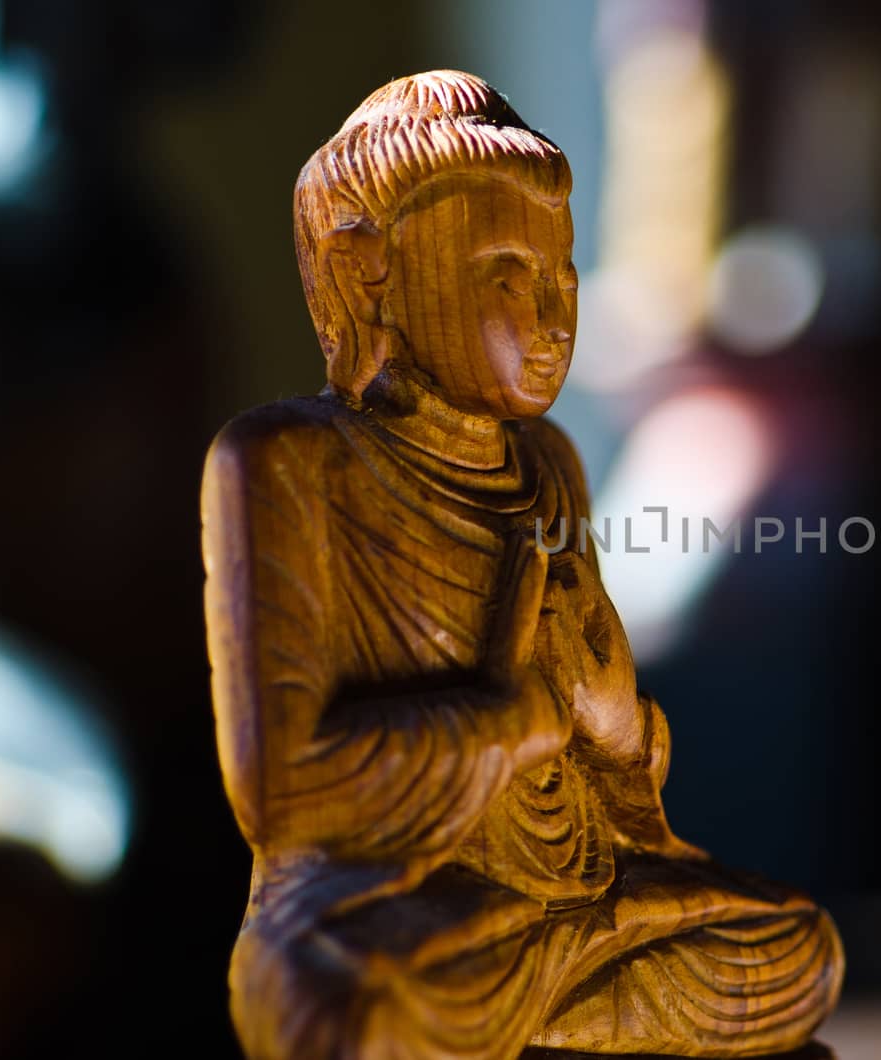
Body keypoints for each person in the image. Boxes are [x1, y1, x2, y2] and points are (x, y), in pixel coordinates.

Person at [202, 71, 842, 1060]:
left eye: (565, 273)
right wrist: (513, 721)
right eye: (507, 269)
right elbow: (289, 792)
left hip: (570, 898)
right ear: (369, 271)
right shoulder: (289, 464)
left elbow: (613, 772)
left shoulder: (548, 468)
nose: (551, 315)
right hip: (394, 910)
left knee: (797, 948)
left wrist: (614, 720)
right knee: (358, 1006)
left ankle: (555, 1012)